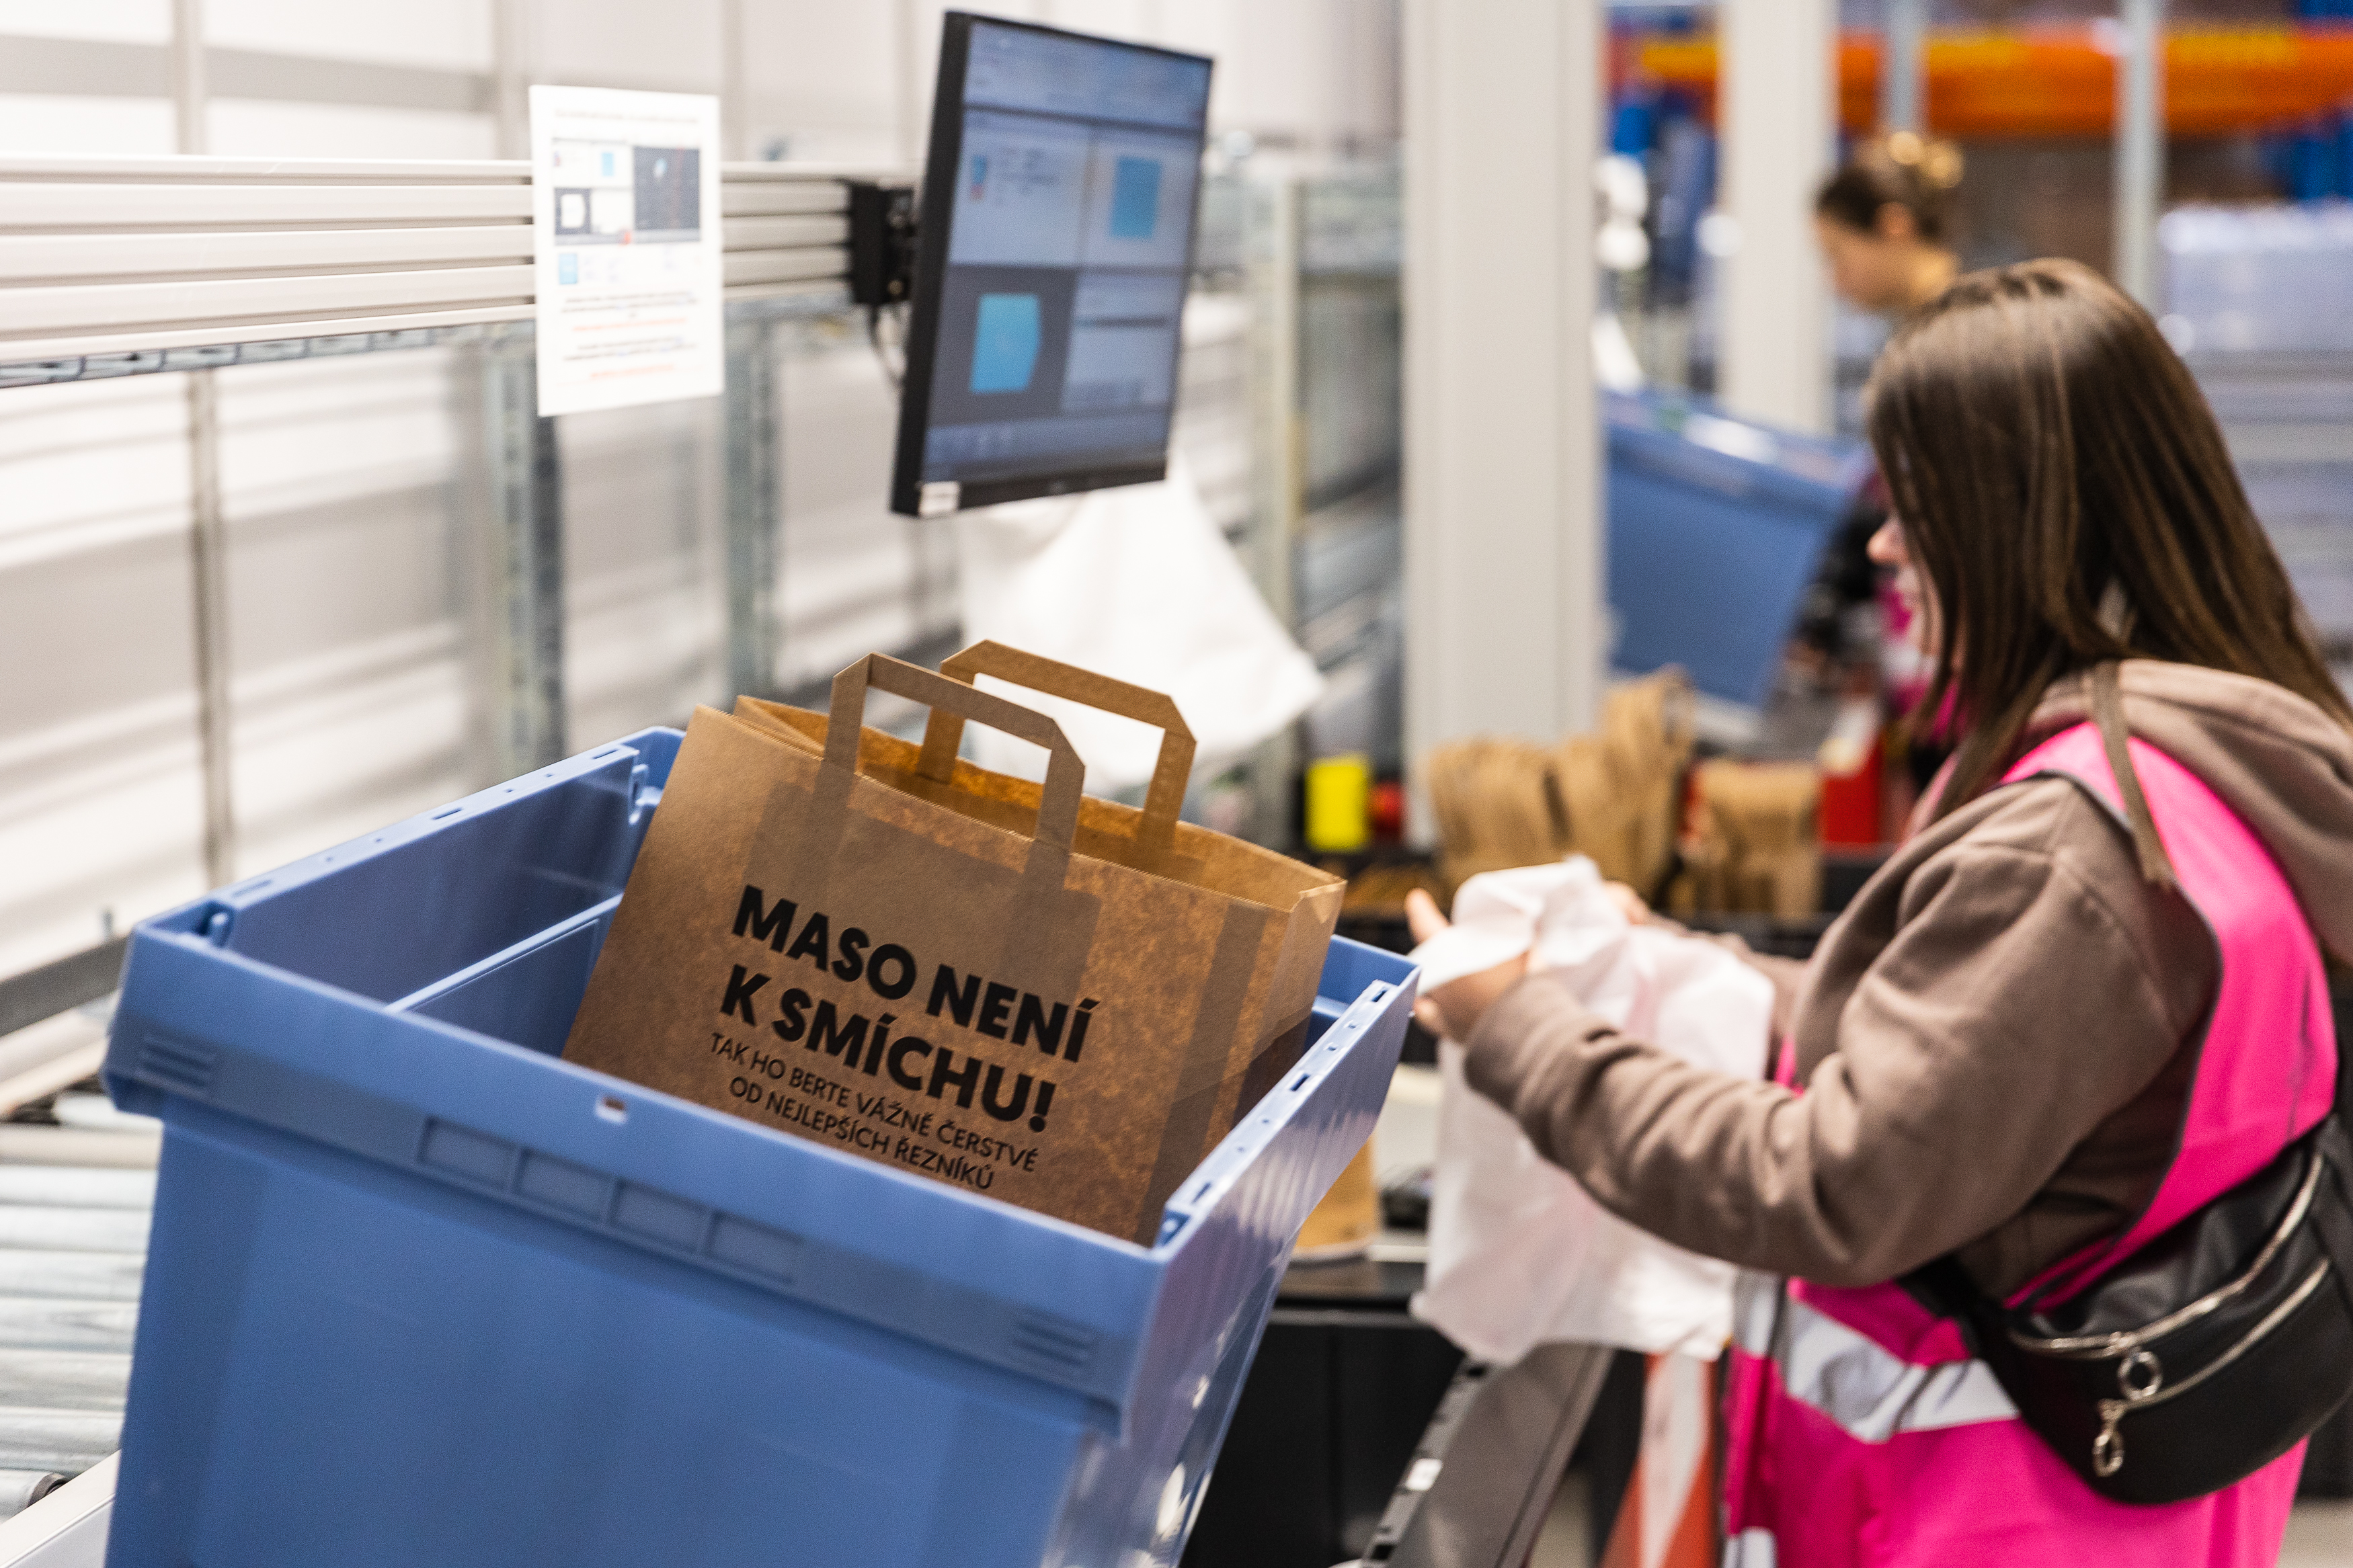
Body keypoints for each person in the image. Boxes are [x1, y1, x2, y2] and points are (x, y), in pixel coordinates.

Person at [1406, 258, 2353, 1565]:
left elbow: (1834, 1186)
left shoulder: (2069, 856)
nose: (1883, 546)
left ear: (2016, 518)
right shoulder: (2203, 770)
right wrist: (1699, 969)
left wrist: (1517, 1034)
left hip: (1993, 1517)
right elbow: (1986, 1061)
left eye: (1913, 505)